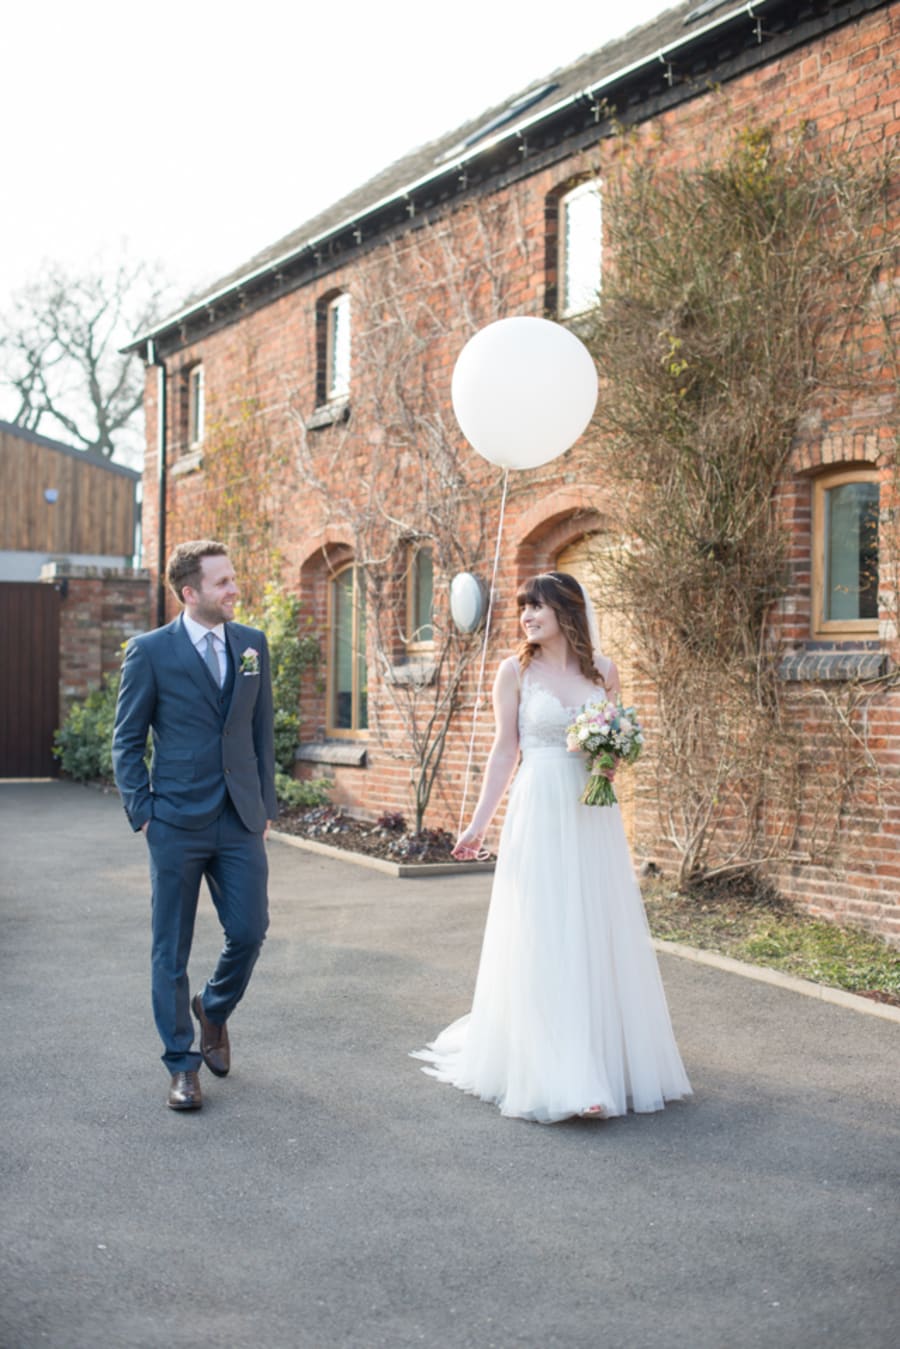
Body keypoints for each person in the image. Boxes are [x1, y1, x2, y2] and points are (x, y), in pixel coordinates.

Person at [412, 571, 691, 1123]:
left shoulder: (604, 673)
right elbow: (503, 753)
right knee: (543, 928)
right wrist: (476, 826)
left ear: (567, 611)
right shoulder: (513, 671)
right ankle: (560, 1071)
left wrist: (608, 756)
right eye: (523, 608)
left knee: (592, 927)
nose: (527, 616)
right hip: (538, 810)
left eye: (537, 606)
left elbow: (607, 746)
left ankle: (600, 1059)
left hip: (591, 815)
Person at [112, 540, 277, 1112]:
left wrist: (265, 810)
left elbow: (260, 734)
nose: (235, 589)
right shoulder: (150, 652)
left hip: (239, 819)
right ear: (190, 593)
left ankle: (214, 1008)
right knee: (169, 950)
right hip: (175, 822)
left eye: (233, 578)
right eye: (223, 582)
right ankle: (181, 1066)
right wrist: (145, 815)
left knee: (251, 930)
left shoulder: (252, 645)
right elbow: (127, 740)